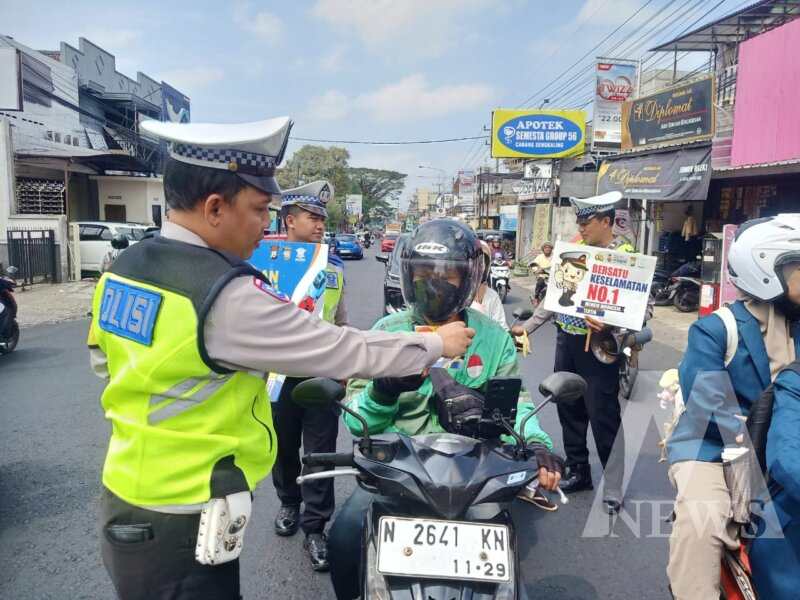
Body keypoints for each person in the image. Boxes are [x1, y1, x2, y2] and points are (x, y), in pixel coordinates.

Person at [87, 116, 475, 600]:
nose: (265, 225)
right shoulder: (222, 295)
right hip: (184, 513)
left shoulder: (124, 267)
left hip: (127, 494)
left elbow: (104, 363)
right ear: (214, 207)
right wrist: (435, 345)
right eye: (258, 210)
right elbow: (340, 348)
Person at [327, 219, 563, 599]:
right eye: (423, 273)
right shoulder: (387, 331)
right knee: (343, 539)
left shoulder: (493, 338)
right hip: (398, 470)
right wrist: (384, 391)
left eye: (447, 274)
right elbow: (358, 420)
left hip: (474, 473)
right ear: (408, 276)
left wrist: (537, 444)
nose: (433, 283)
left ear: (467, 279)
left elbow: (515, 403)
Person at [665, 214, 800, 599]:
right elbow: (708, 407)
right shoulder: (715, 329)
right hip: (714, 446)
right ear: (766, 270)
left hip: (784, 442)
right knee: (703, 520)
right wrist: (753, 458)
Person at [511, 191, 635, 514]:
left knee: (603, 417)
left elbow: (641, 308)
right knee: (568, 409)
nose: (581, 228)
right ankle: (579, 471)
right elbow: (554, 297)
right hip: (567, 341)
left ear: (606, 221)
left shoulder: (625, 257)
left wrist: (611, 323)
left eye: (586, 222)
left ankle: (614, 485)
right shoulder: (573, 252)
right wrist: (528, 328)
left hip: (599, 348)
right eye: (579, 222)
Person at [269, 180, 344, 571]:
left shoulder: (334, 267)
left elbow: (340, 321)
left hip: (321, 375)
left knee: (319, 454)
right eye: (312, 217)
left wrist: (344, 369)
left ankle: (315, 527)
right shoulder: (264, 264)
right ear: (289, 220)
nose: (319, 225)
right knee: (282, 447)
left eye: (322, 219)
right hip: (278, 375)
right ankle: (288, 502)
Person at [471, 240, 509, 330]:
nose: (478, 265)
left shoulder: (492, 295)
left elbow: (501, 327)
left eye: (482, 261)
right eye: (474, 260)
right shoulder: (456, 295)